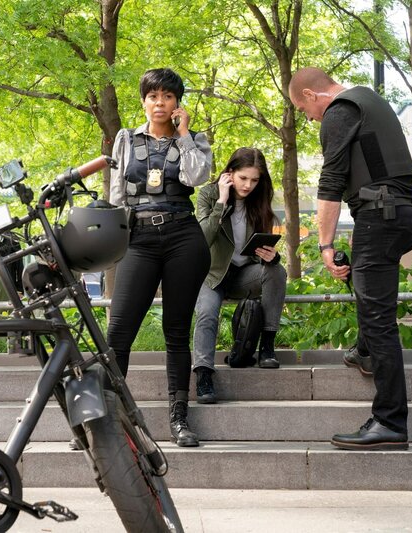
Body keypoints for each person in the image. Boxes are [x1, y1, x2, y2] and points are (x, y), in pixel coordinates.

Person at [289, 67, 412, 451]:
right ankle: (364, 352)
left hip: (381, 215)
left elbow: (331, 181)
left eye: (303, 109)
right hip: (406, 214)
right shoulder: (370, 99)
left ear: (311, 95)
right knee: (368, 287)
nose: (308, 118)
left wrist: (324, 245)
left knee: (378, 319)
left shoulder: (338, 111)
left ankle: (389, 422)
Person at [108, 67, 212, 447]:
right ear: (143, 101)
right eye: (153, 96)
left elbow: (196, 177)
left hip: (183, 235)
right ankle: (105, 420)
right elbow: (116, 193)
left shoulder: (194, 140)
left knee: (176, 332)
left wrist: (183, 135)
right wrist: (114, 242)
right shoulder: (125, 139)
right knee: (118, 332)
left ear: (177, 103)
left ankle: (179, 419)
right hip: (138, 238)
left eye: (168, 97)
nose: (160, 103)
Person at [193, 148, 288, 403]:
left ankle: (267, 348)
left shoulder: (259, 199)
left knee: (277, 271)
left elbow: (259, 248)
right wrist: (222, 202)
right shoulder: (209, 194)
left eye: (254, 180)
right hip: (211, 274)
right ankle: (203, 374)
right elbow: (203, 239)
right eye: (243, 178)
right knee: (207, 314)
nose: (248, 185)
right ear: (229, 173)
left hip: (243, 274)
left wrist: (271, 256)